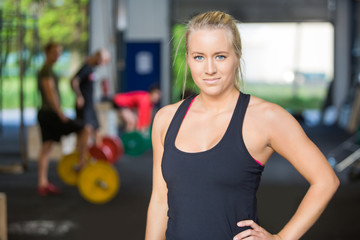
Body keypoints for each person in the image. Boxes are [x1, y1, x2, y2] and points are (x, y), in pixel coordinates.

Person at [145, 11, 339, 240]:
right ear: (187, 58)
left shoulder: (266, 118)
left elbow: (326, 180)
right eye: (199, 57)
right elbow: (159, 199)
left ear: (237, 56)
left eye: (220, 56)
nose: (209, 69)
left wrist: (281, 238)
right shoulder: (166, 119)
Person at [37, 42, 89, 196]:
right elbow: (50, 92)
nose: (58, 55)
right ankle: (81, 163)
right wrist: (60, 113)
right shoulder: (46, 71)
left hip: (46, 114)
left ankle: (42, 183)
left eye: (59, 52)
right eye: (55, 52)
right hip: (51, 114)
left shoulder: (48, 69)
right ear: (47, 52)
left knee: (46, 148)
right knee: (85, 128)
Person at [71, 49, 110, 145]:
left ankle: (97, 157)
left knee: (97, 129)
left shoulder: (92, 69)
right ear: (97, 56)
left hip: (90, 105)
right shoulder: (86, 68)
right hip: (84, 106)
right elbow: (74, 81)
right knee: (84, 131)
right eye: (103, 61)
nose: (102, 64)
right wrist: (79, 96)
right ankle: (82, 157)